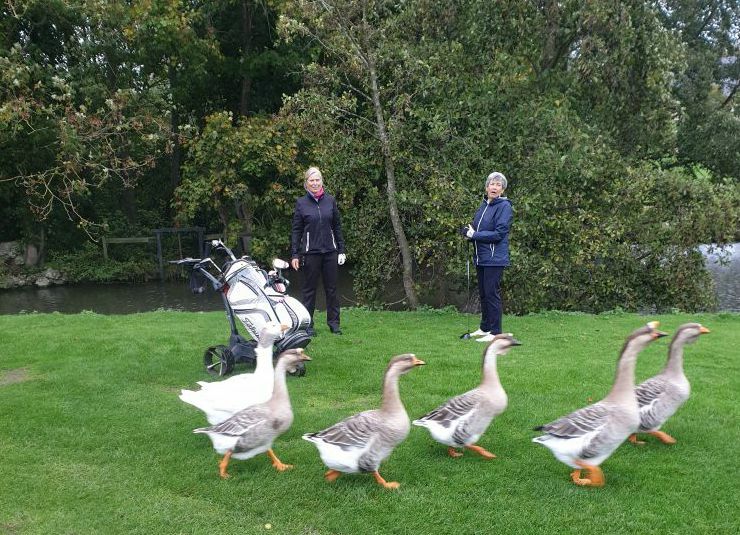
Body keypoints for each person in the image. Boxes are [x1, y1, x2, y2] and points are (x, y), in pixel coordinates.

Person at [291, 166, 346, 336]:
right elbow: (296, 230)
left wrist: (341, 249)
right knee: (309, 291)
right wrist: (295, 254)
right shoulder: (301, 203)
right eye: (311, 180)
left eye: (317, 180)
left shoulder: (330, 201)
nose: (315, 183)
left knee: (332, 289)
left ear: (322, 181)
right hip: (310, 253)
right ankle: (308, 325)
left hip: (330, 252)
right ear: (306, 183)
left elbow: (336, 226)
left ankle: (334, 324)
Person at [465, 171, 513, 342]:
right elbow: (477, 229)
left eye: (498, 185)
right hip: (481, 257)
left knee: (492, 294)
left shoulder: (504, 207)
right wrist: (469, 232)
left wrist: (474, 235)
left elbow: (499, 234)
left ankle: (495, 332)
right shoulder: (484, 205)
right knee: (484, 293)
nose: (494, 187)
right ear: (486, 187)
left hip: (494, 258)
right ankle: (485, 328)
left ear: (502, 189)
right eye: (492, 184)